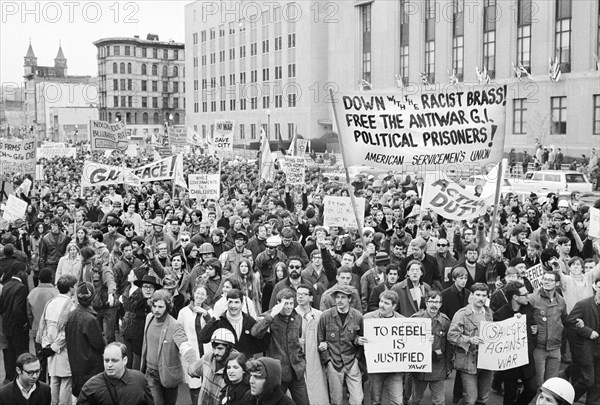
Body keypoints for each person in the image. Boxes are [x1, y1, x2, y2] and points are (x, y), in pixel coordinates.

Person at [251, 288, 309, 405]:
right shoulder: (268, 317)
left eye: (291, 303)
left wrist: (302, 361)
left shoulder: (297, 317)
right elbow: (255, 333)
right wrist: (272, 314)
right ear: (278, 304)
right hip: (277, 373)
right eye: (285, 303)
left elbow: (297, 342)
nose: (288, 307)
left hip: (296, 371)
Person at [141, 290, 198, 405]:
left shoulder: (175, 325)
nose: (156, 310)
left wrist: (194, 364)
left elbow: (184, 346)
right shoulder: (149, 318)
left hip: (169, 374)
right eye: (154, 306)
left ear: (167, 307)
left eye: (160, 307)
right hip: (150, 372)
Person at [317, 284, 366, 405]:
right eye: (337, 297)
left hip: (352, 361)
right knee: (336, 400)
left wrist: (357, 359)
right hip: (334, 362)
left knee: (357, 400)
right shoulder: (326, 316)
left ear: (349, 299)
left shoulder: (358, 316)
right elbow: (320, 339)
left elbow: (363, 341)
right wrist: (327, 361)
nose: (339, 300)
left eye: (343, 297)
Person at [492, 281, 538, 405]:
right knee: (510, 394)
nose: (528, 296)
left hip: (527, 358)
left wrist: (534, 333)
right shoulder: (500, 314)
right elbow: (496, 338)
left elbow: (533, 328)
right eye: (525, 294)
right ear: (515, 297)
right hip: (510, 362)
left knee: (532, 389)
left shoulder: (528, 309)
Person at [448, 282, 494, 405]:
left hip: (486, 361)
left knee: (483, 397)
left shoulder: (489, 313)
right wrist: (469, 339)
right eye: (478, 295)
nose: (481, 298)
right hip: (468, 361)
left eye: (484, 295)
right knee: (470, 398)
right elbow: (452, 335)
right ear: (471, 295)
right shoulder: (462, 314)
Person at [36, 274, 77, 405]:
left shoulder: (51, 303)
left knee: (54, 379)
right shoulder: (71, 306)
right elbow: (66, 332)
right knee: (66, 381)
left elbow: (44, 326)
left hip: (49, 347)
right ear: (71, 288)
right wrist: (54, 347)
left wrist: (47, 346)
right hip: (62, 349)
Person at [199, 288, 270, 357]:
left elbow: (262, 345)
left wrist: (265, 327)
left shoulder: (249, 320)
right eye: (230, 302)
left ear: (242, 304)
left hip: (243, 364)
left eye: (236, 302)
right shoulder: (220, 321)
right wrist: (215, 318)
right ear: (226, 303)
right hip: (225, 365)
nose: (233, 306)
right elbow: (203, 338)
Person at [77, 342, 154, 405]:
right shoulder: (91, 387)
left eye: (114, 360)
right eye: (106, 360)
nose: (109, 365)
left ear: (125, 360)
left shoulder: (139, 380)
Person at [410, 291, 451, 405]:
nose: (434, 305)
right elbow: (408, 343)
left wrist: (449, 365)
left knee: (439, 401)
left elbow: (449, 346)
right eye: (431, 301)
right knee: (415, 399)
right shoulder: (415, 319)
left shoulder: (445, 321)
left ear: (441, 304)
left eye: (437, 302)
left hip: (438, 366)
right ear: (426, 302)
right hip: (420, 367)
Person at [65, 281, 106, 397]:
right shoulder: (90, 319)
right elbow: (100, 344)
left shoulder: (71, 315)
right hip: (91, 368)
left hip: (76, 365)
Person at [363, 290, 404, 405]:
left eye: (386, 303)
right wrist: (358, 340)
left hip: (395, 368)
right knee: (375, 401)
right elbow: (356, 337)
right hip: (376, 367)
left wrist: (426, 340)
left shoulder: (403, 321)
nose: (381, 305)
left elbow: (410, 342)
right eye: (381, 301)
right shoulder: (367, 318)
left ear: (394, 306)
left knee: (397, 401)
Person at [529, 270, 568, 386]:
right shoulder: (533, 298)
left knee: (551, 384)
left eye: (550, 280)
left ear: (557, 283)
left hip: (555, 348)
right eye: (545, 279)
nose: (546, 282)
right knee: (538, 383)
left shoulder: (561, 300)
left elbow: (565, 320)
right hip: (538, 348)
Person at [565, 276, 600, 405]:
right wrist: (587, 331)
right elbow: (569, 321)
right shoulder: (583, 304)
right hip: (586, 349)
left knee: (597, 384)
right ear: (595, 288)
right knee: (588, 380)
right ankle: (566, 397)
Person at [294, 283, 329, 405]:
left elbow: (327, 335)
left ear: (311, 298)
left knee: (318, 390)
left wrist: (325, 343)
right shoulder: (292, 315)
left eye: (304, 294)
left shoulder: (320, 315)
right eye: (298, 294)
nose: (300, 297)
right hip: (298, 359)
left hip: (316, 358)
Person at [122, 274, 163, 370]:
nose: (148, 289)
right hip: (133, 338)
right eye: (145, 287)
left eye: (151, 287)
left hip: (151, 342)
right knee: (133, 365)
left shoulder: (158, 304)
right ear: (141, 288)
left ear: (154, 289)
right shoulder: (135, 301)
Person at [190, 328, 238, 405]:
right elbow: (191, 370)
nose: (215, 352)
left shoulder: (237, 368)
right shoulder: (207, 358)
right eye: (214, 348)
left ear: (230, 348)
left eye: (220, 348)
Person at [26, 269, 59, 383]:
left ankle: (40, 383)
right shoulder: (56, 293)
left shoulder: (32, 293)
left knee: (40, 358)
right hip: (53, 331)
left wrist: (33, 325)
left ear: (39, 278)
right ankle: (52, 382)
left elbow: (29, 314)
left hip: (37, 329)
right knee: (52, 358)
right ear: (51, 278)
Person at [0, 263, 29, 382]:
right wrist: (23, 323)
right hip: (17, 326)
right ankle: (21, 378)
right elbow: (18, 310)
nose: (26, 274)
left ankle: (10, 377)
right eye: (25, 272)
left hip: (6, 325)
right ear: (20, 272)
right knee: (20, 353)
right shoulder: (21, 288)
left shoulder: (5, 286)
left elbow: (1, 306)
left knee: (9, 353)